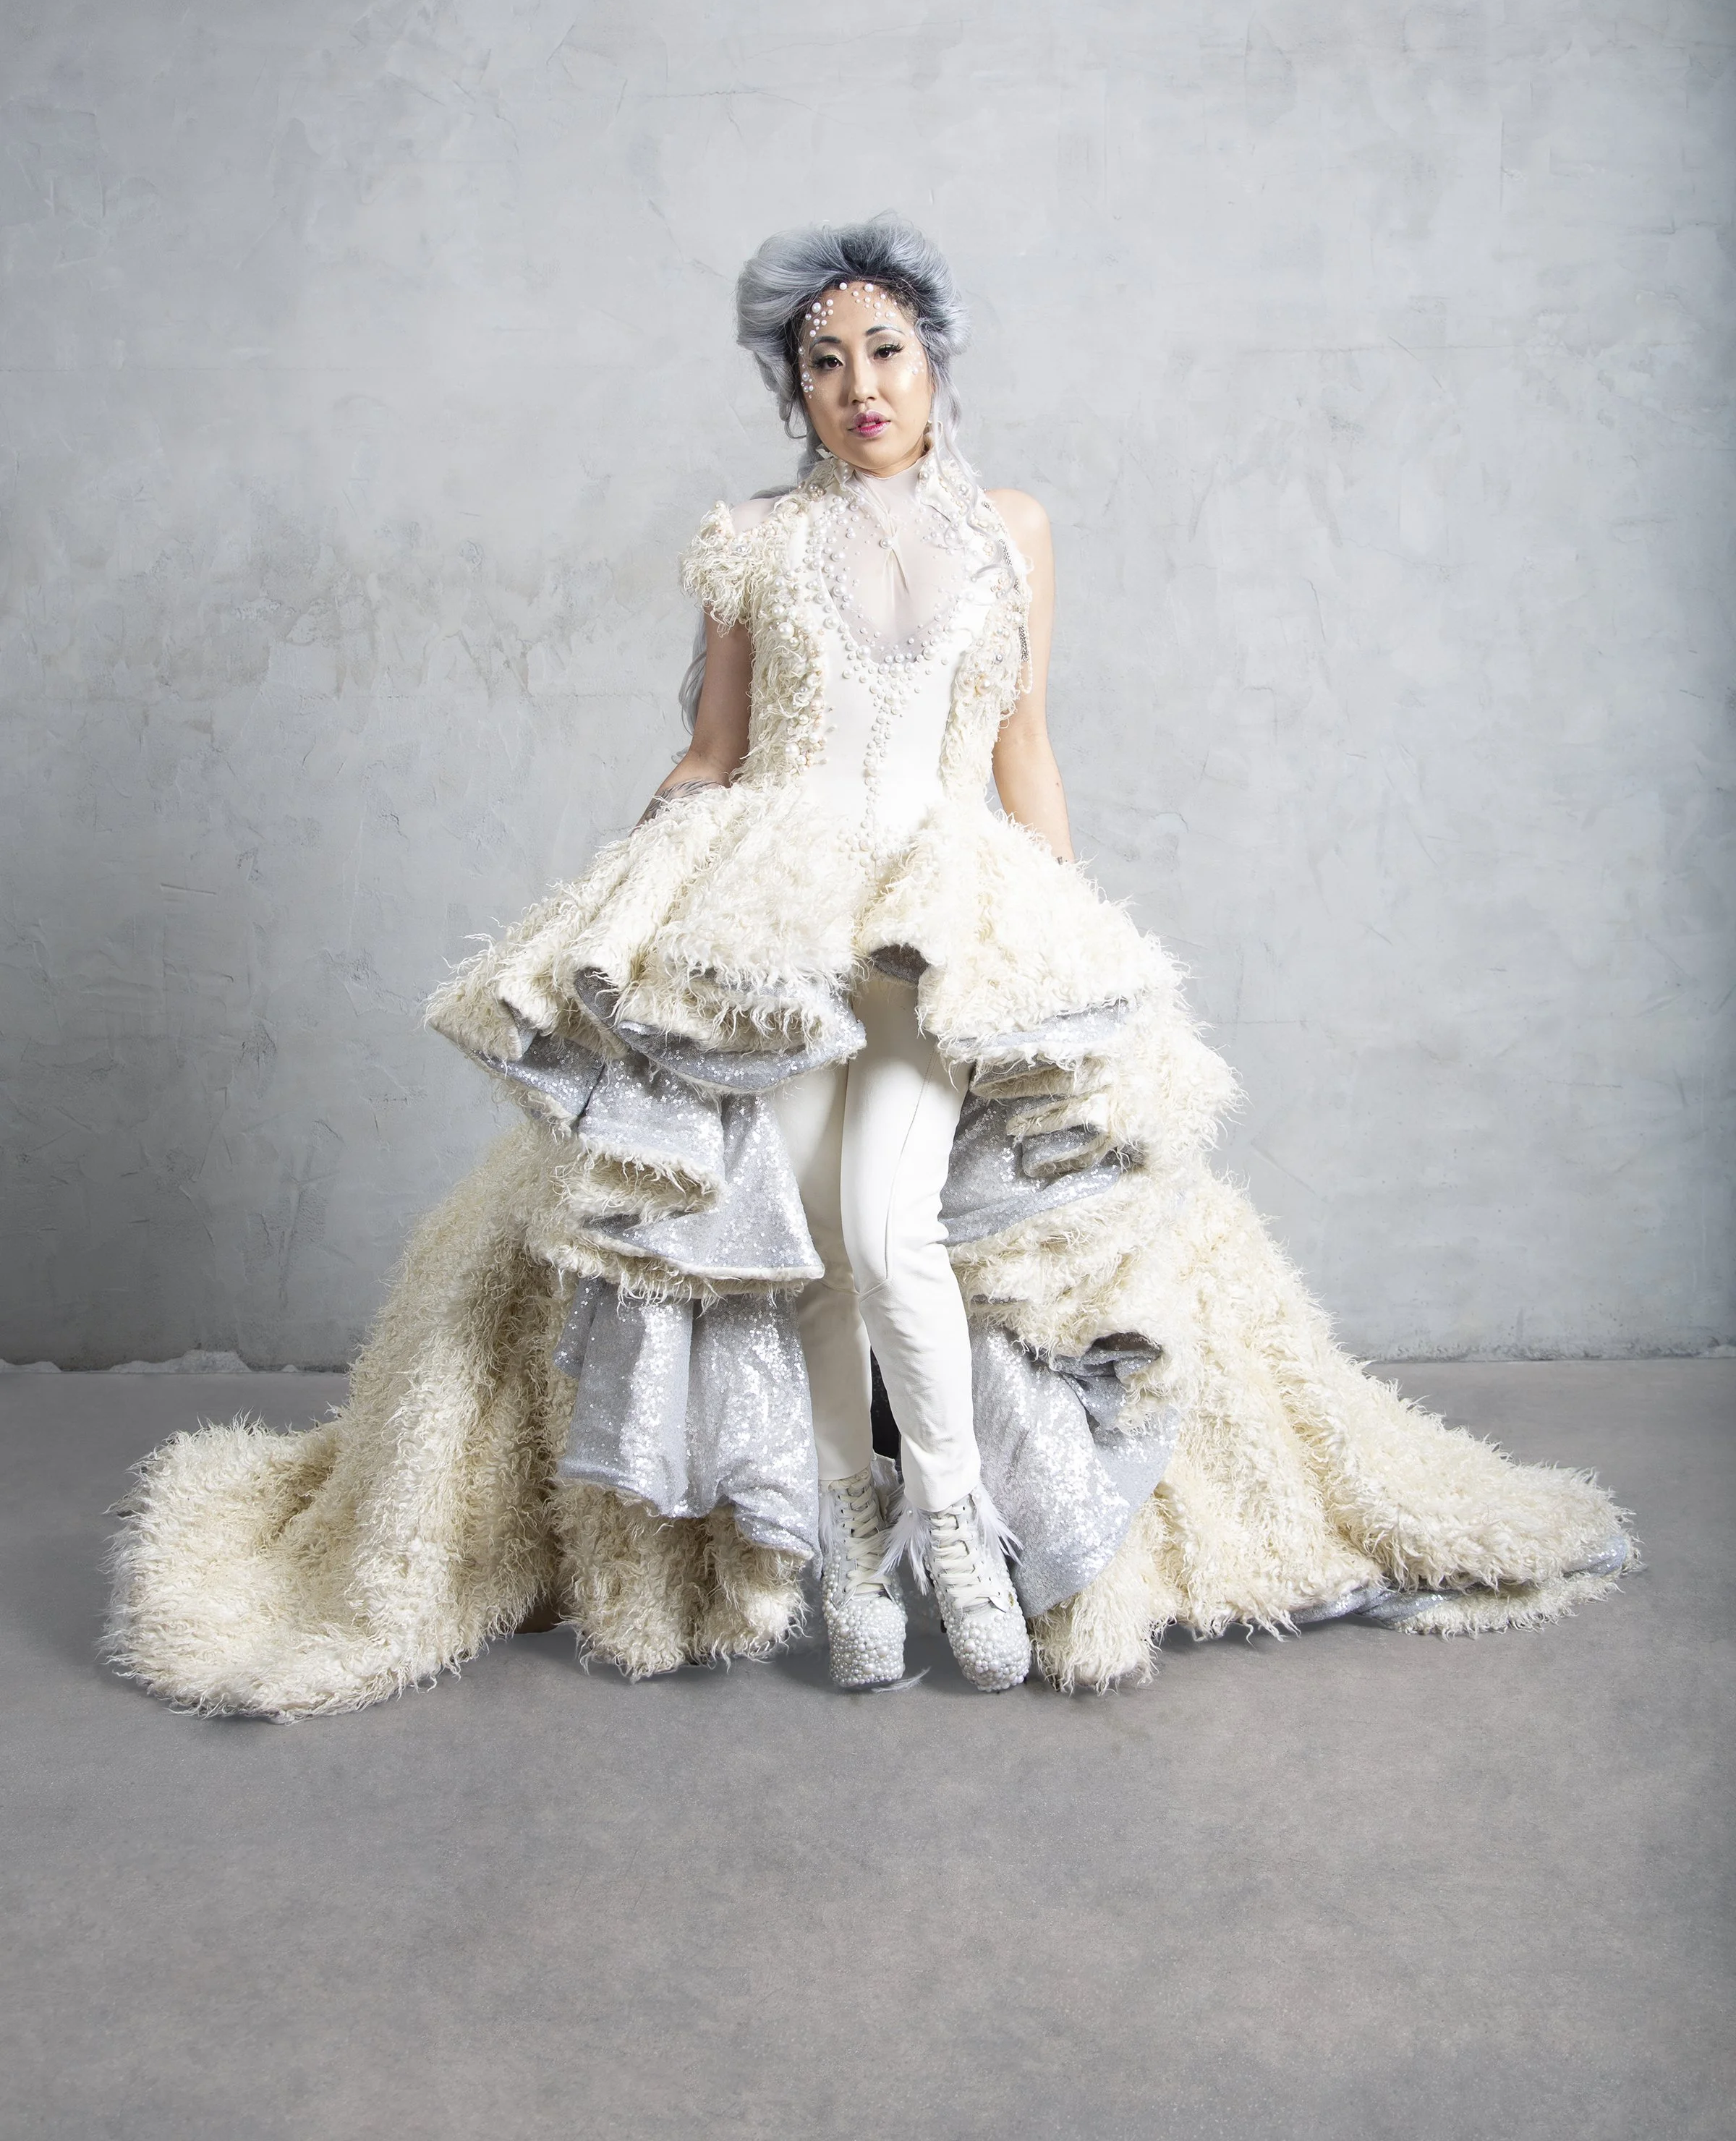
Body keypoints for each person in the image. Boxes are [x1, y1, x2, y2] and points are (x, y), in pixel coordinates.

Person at [108, 216, 1631, 1718]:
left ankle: (955, 1525)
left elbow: (1024, 746)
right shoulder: (750, 542)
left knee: (898, 1231)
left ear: (936, 362)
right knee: (821, 1245)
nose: (860, 386)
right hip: (768, 919)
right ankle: (853, 1532)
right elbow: (714, 751)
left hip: (938, 914)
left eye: (885, 352)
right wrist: (626, 912)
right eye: (824, 362)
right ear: (796, 388)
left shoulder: (1013, 529)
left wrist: (1080, 942)